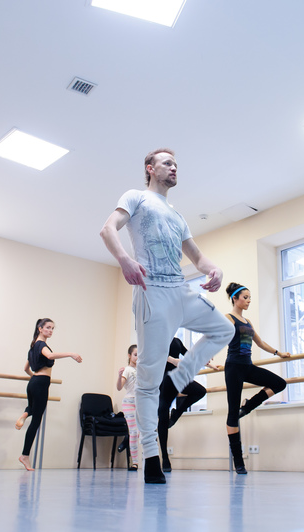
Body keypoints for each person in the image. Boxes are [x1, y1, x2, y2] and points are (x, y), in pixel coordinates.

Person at [100, 148, 235, 484]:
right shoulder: (135, 197)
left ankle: (178, 379)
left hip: (180, 290)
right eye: (167, 163)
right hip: (152, 292)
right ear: (150, 168)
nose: (174, 167)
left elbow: (198, 258)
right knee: (147, 382)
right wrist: (125, 260)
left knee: (224, 329)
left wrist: (215, 269)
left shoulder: (177, 215)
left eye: (176, 164)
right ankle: (150, 457)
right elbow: (108, 229)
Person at [223, 283, 290, 474]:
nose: (248, 301)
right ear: (235, 298)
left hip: (248, 366)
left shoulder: (248, 321)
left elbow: (260, 342)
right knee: (232, 414)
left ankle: (248, 406)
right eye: (245, 297)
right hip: (234, 367)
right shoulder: (228, 318)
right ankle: (238, 462)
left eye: (250, 298)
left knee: (279, 383)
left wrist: (278, 353)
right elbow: (216, 337)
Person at [17, 318, 82, 471]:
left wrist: (34, 378)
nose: (50, 330)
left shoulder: (32, 347)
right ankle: (25, 455)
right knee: (36, 421)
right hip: (41, 383)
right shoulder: (41, 345)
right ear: (40, 329)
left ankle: (25, 414)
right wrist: (71, 353)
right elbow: (50, 356)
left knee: (32, 409)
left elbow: (26, 369)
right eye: (47, 327)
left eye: (52, 328)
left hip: (33, 383)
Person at [157, 337, 220, 473]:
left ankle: (177, 413)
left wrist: (206, 362)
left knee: (200, 391)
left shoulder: (177, 341)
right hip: (162, 380)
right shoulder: (159, 338)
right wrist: (174, 361)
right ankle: (165, 458)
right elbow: (156, 354)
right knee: (163, 418)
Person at [116, 344, 140, 471]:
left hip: (140, 403)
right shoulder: (127, 370)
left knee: (140, 433)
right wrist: (119, 376)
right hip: (129, 402)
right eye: (135, 355)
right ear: (129, 356)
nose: (137, 357)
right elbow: (119, 387)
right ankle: (135, 463)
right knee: (134, 432)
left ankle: (127, 440)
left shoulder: (141, 369)